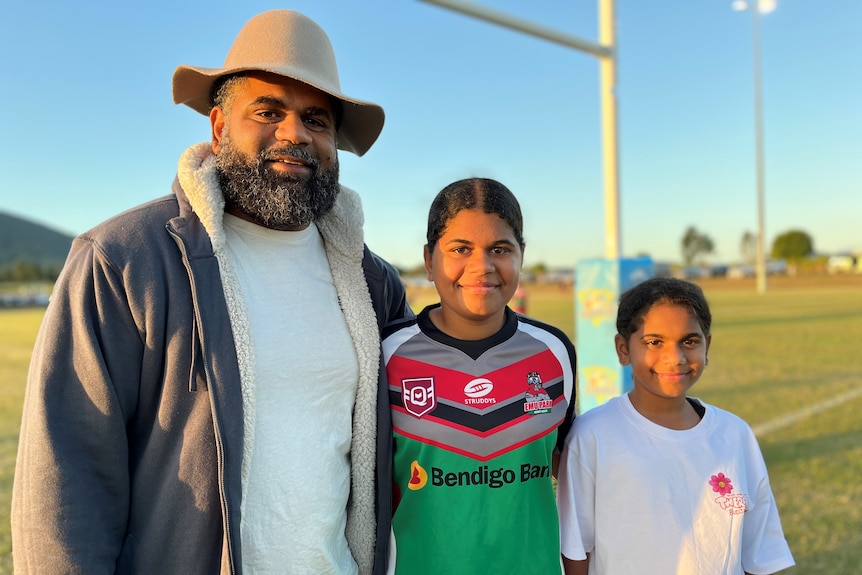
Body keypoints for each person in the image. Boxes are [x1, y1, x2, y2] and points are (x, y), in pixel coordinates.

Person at [12, 10, 411, 575]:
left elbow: (429, 417)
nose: (295, 134)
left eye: (316, 120)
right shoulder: (124, 261)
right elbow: (66, 480)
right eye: (268, 111)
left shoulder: (373, 284)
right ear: (220, 127)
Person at [381, 178, 577, 574]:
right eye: (460, 249)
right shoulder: (385, 355)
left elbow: (570, 469)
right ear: (430, 259)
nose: (482, 266)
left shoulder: (554, 353)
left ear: (521, 255)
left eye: (500, 249)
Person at [557, 277, 795, 575]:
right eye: (654, 342)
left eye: (689, 341)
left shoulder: (735, 434)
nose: (676, 358)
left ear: (707, 346)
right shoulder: (592, 435)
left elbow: (758, 553)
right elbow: (575, 548)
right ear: (623, 349)